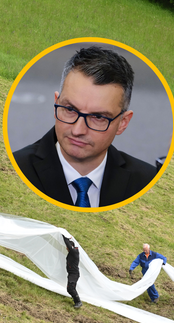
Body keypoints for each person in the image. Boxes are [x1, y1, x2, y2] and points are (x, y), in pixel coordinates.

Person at [12, 46, 156, 208]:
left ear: (123, 122)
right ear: (56, 104)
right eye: (70, 110)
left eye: (98, 117)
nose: (77, 130)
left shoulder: (147, 182)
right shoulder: (14, 170)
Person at [63, 235, 81, 309]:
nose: (66, 248)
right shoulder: (72, 252)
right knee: (70, 288)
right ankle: (76, 300)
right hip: (71, 274)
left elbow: (68, 245)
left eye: (67, 247)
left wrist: (64, 236)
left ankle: (78, 302)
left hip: (74, 274)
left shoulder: (75, 252)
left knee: (70, 288)